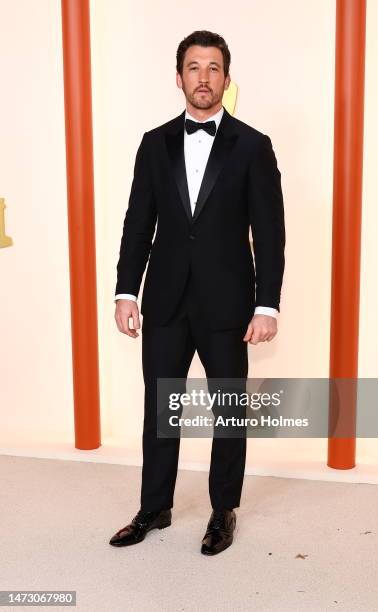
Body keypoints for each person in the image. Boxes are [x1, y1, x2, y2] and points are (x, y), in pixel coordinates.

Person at [109, 30, 285, 555]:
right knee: (160, 409)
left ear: (226, 80)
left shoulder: (253, 145)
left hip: (228, 302)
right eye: (193, 67)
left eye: (213, 68)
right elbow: (137, 223)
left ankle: (223, 510)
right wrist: (125, 291)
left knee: (227, 410)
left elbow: (270, 232)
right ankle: (154, 507)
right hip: (163, 299)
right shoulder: (154, 142)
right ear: (179, 76)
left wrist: (266, 303)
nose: (203, 77)